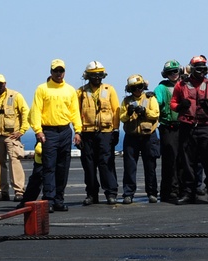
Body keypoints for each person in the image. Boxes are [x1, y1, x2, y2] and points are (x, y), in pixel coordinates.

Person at [28, 59, 83, 212]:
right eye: (56, 71)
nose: (59, 74)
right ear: (51, 72)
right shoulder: (42, 89)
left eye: (61, 71)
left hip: (65, 131)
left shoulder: (70, 90)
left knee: (62, 167)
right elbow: (36, 111)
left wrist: (77, 130)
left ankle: (59, 199)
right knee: (49, 167)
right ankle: (49, 200)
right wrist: (38, 131)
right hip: (48, 132)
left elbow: (74, 112)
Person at [170, 55, 208, 204]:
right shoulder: (181, 85)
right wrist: (181, 106)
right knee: (188, 162)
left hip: (206, 126)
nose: (201, 72)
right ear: (192, 69)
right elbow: (173, 104)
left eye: (203, 68)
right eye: (198, 68)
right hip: (187, 127)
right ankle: (189, 193)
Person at [77, 61, 121, 205]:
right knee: (88, 165)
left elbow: (116, 110)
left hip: (105, 133)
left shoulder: (109, 90)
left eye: (99, 75)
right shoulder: (81, 92)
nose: (97, 78)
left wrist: (115, 129)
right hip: (87, 133)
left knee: (106, 163)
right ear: (88, 76)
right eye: (94, 75)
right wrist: (78, 132)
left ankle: (111, 193)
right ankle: (91, 194)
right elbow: (76, 112)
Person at [0, 74, 30, 202]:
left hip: (12, 137)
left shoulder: (16, 96)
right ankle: (1, 191)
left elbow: (26, 112)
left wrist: (22, 131)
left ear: (5, 83)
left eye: (1, 83)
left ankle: (19, 191)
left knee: (14, 162)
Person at [120, 74, 161, 203]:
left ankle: (152, 192)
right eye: (134, 88)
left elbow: (156, 114)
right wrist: (129, 113)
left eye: (140, 87)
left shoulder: (150, 98)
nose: (138, 90)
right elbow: (122, 118)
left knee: (150, 166)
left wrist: (145, 112)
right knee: (129, 166)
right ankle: (128, 193)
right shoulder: (126, 101)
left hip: (148, 136)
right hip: (131, 136)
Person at [155, 60, 183, 202]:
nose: (174, 74)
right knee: (170, 159)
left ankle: (181, 188)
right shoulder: (161, 88)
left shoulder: (184, 85)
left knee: (183, 159)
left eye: (176, 71)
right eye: (170, 72)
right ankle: (168, 190)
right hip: (168, 127)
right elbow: (157, 103)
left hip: (183, 126)